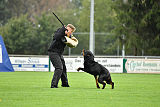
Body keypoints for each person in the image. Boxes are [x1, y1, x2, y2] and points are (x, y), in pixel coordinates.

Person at [48, 24, 76, 88]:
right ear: (67, 29)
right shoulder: (59, 31)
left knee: (63, 68)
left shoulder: (67, 36)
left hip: (59, 53)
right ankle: (54, 85)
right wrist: (63, 30)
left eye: (71, 32)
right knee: (59, 68)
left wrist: (70, 36)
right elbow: (55, 37)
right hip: (53, 52)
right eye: (70, 31)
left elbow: (71, 43)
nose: (71, 33)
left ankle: (65, 84)